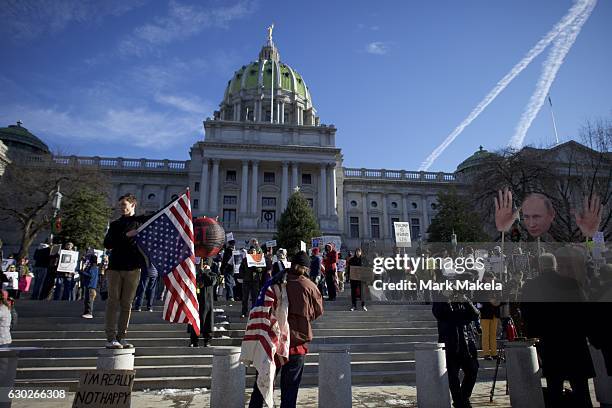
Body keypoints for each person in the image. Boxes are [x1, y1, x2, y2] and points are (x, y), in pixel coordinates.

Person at [247, 251, 324, 408]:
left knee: (261, 387)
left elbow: (259, 308)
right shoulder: (309, 286)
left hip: (272, 343)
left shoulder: (273, 282)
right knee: (290, 391)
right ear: (307, 268)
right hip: (297, 344)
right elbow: (318, 311)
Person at [520, 250, 595, 407]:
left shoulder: (531, 286)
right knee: (581, 387)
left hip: (549, 342)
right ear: (555, 265)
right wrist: (590, 335)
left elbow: (526, 315)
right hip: (574, 341)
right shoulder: (571, 283)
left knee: (554, 386)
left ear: (540, 267)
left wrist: (533, 336)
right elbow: (586, 312)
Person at [103, 193, 150, 349]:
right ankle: (111, 337)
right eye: (120, 205)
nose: (121, 207)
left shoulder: (141, 222)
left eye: (124, 204)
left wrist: (178, 201)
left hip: (133, 267)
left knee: (127, 304)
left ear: (132, 205)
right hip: (115, 267)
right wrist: (126, 236)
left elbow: (160, 215)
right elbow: (107, 243)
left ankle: (121, 336)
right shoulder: (115, 224)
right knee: (113, 301)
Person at [432, 289, 480, 408]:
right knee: (452, 376)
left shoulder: (463, 300)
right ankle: (459, 402)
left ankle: (463, 398)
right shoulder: (440, 301)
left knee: (472, 370)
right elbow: (438, 313)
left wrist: (465, 300)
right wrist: (444, 297)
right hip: (449, 343)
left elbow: (475, 314)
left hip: (467, 344)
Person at [189, 258, 215, 347]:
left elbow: (212, 281)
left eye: (206, 264)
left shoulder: (212, 274)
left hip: (207, 302)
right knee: (195, 321)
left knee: (207, 322)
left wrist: (205, 272)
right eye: (203, 263)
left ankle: (207, 341)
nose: (203, 265)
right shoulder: (196, 274)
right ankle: (194, 340)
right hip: (197, 302)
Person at [478, 272, 501, 360]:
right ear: (485, 278)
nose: (491, 280)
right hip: (485, 313)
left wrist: (498, 301)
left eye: (492, 279)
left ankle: (494, 353)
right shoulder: (480, 287)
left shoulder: (496, 287)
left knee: (493, 334)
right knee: (485, 334)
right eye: (489, 279)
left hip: (494, 313)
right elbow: (478, 299)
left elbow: (500, 297)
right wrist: (488, 301)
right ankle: (486, 353)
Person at [240, 246, 265, 318]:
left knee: (255, 297)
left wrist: (256, 267)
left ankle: (254, 312)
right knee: (245, 297)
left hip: (255, 280)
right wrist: (244, 276)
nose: (252, 252)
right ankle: (244, 312)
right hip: (246, 281)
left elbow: (261, 269)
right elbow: (241, 269)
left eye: (254, 251)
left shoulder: (259, 259)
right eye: (251, 251)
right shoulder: (245, 260)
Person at [80, 252, 100, 319]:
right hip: (89, 286)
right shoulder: (92, 267)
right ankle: (86, 312)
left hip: (91, 286)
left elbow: (91, 275)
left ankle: (89, 313)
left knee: (89, 300)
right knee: (87, 300)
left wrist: (83, 272)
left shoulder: (94, 267)